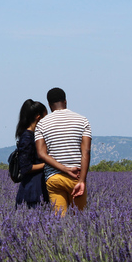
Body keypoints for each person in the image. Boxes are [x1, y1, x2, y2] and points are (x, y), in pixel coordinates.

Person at [35, 87, 92, 215]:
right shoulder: (83, 121)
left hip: (54, 177)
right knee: (79, 220)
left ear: (49, 104)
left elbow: (41, 154)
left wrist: (63, 169)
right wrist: (82, 180)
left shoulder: (42, 124)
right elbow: (86, 152)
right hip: (76, 177)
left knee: (59, 222)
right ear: (65, 101)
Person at [14, 99, 50, 208]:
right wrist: (48, 164)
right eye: (46, 117)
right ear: (38, 118)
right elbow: (25, 167)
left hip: (38, 187)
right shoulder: (27, 137)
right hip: (32, 190)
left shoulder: (33, 136)